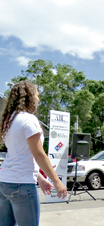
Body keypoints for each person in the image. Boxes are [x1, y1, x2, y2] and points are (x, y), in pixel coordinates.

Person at [0, 81, 67, 226]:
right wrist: (57, 181)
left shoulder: (9, 121)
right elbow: (38, 154)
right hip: (22, 185)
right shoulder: (29, 120)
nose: (39, 99)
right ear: (29, 97)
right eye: (37, 95)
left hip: (5, 182)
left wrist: (41, 179)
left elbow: (20, 155)